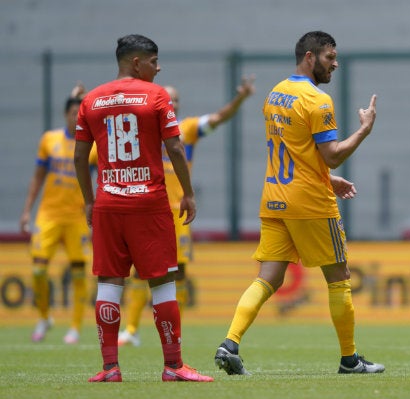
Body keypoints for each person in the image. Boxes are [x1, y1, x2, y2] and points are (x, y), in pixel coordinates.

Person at [213, 31, 385, 375]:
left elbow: (295, 149)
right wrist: (364, 129)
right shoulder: (317, 100)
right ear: (310, 56)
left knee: (268, 278)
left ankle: (229, 342)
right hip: (310, 203)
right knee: (339, 277)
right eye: (329, 57)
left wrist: (325, 176)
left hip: (275, 198)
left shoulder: (276, 92)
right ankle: (350, 361)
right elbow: (332, 155)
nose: (335, 63)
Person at [74, 34, 213, 382]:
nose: (158, 66)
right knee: (163, 283)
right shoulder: (156, 95)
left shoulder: (91, 99)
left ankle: (109, 368)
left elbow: (79, 156)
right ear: (137, 63)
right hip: (149, 204)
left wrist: (89, 201)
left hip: (107, 204)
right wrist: (189, 193)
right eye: (154, 61)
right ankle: (173, 366)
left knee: (109, 283)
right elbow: (177, 149)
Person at [118, 76, 256, 347]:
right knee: (139, 271)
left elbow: (217, 118)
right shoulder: (142, 131)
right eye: (169, 99)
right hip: (147, 210)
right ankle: (131, 329)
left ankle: (173, 331)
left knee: (177, 272)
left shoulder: (187, 129)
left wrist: (240, 98)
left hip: (177, 214)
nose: (174, 103)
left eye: (177, 99)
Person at [20, 83, 96, 345]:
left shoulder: (93, 147)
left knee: (78, 273)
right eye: (72, 112)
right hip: (48, 215)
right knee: (39, 271)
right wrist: (27, 211)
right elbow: (37, 178)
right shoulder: (49, 140)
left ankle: (75, 327)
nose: (76, 116)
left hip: (76, 218)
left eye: (80, 112)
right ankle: (44, 317)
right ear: (65, 114)